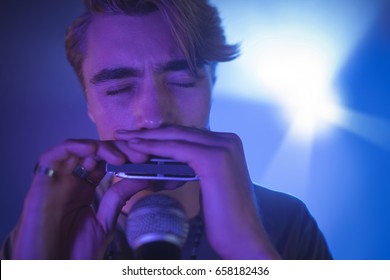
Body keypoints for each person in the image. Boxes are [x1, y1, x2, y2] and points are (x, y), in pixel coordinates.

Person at [1, 0, 332, 260]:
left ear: (212, 82)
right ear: (88, 101)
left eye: (182, 80)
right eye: (118, 88)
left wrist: (252, 252)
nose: (154, 116)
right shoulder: (46, 235)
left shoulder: (288, 223)